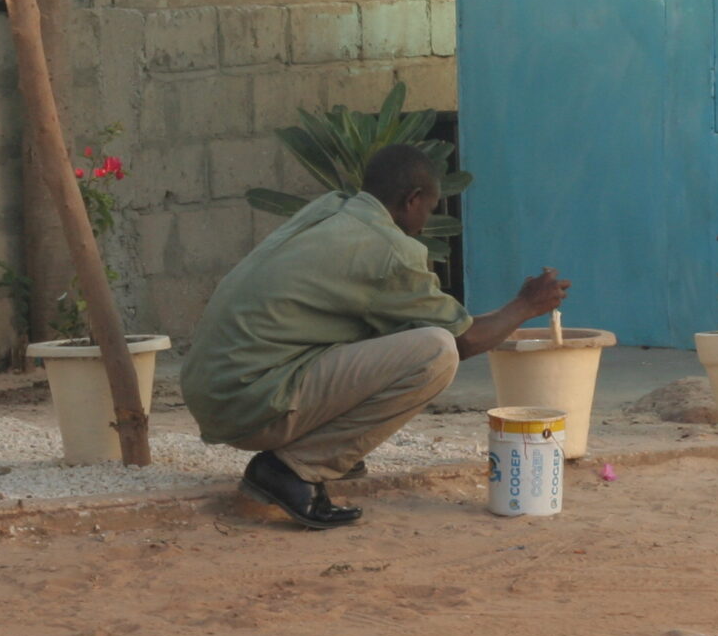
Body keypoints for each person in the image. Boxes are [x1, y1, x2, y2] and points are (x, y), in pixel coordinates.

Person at [182, 143, 569, 529]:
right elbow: (462, 339)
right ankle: (293, 470)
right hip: (248, 403)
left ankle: (320, 450)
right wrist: (524, 305)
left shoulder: (332, 208)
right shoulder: (389, 251)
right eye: (429, 210)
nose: (425, 224)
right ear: (412, 199)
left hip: (215, 388)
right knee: (436, 353)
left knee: (385, 331)